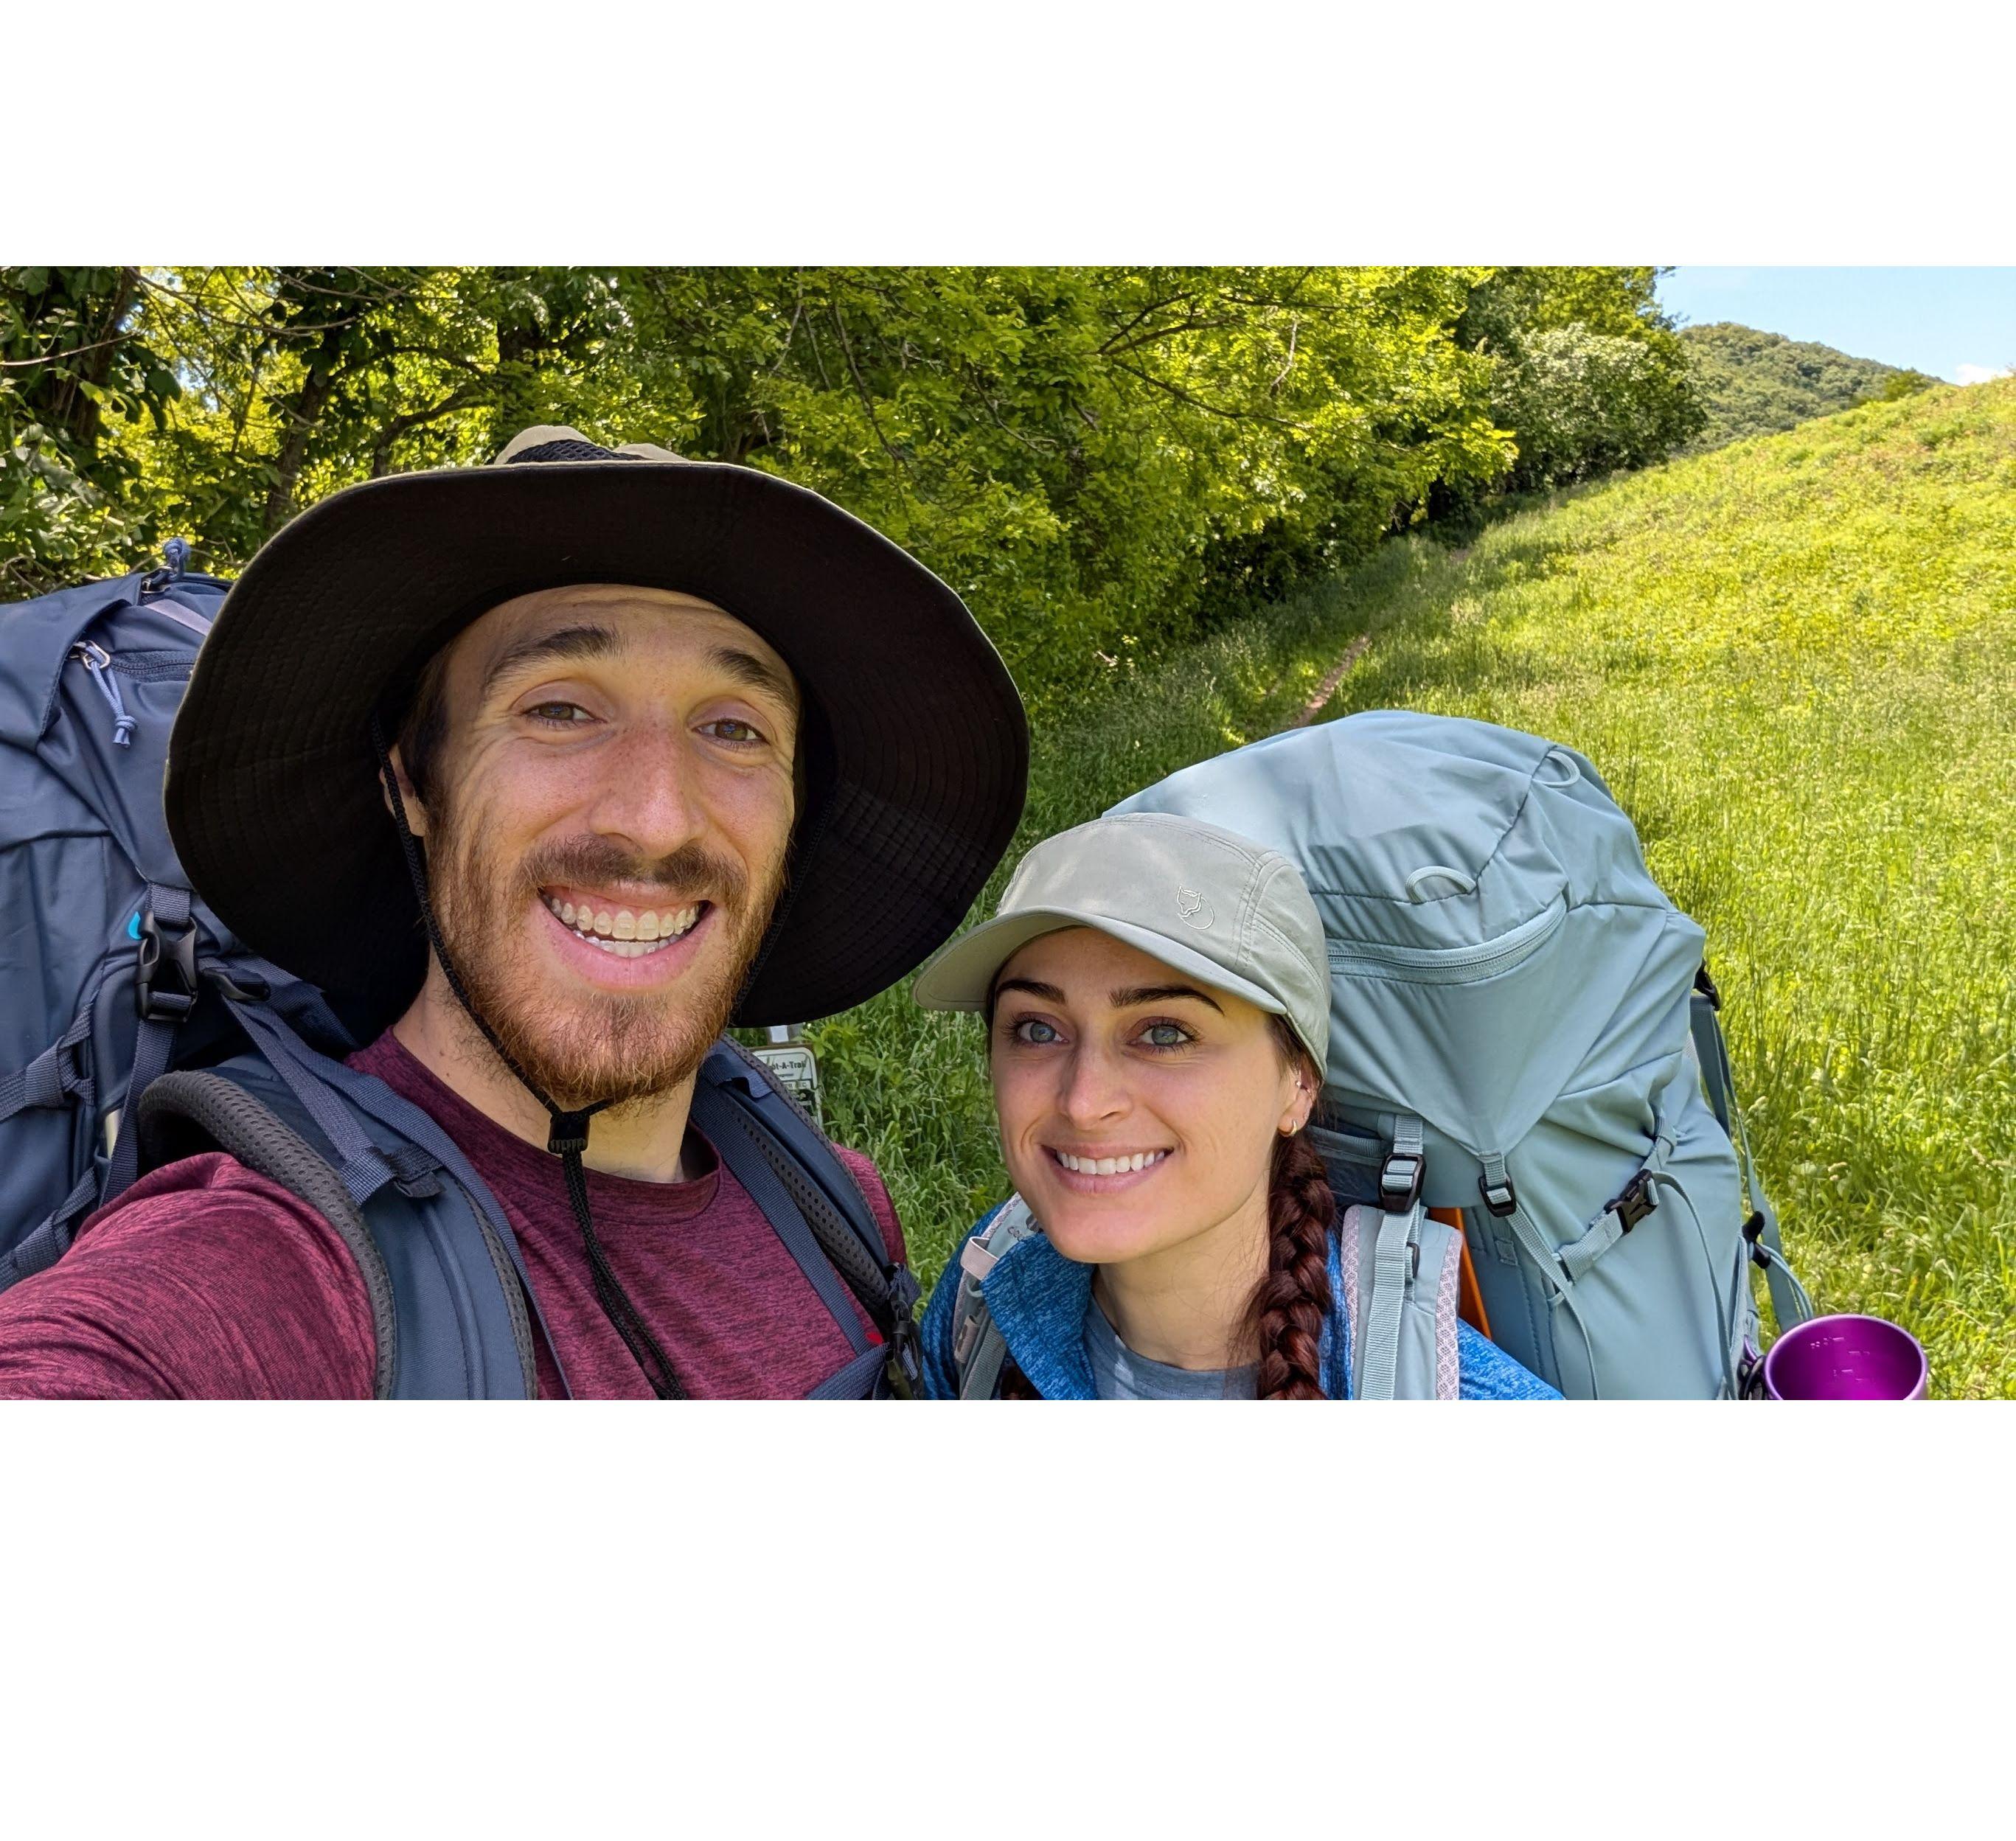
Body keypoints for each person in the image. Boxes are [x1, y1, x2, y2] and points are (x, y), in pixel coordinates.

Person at [0, 427, 1028, 1398]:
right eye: (558, 708)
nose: (657, 820)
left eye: (733, 727)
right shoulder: (261, 1262)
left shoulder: (835, 1208)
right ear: (412, 780)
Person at [910, 813, 1559, 1398]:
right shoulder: (986, 1288)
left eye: (1165, 1034)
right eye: (1038, 1030)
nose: (1083, 1102)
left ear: (1298, 1083)